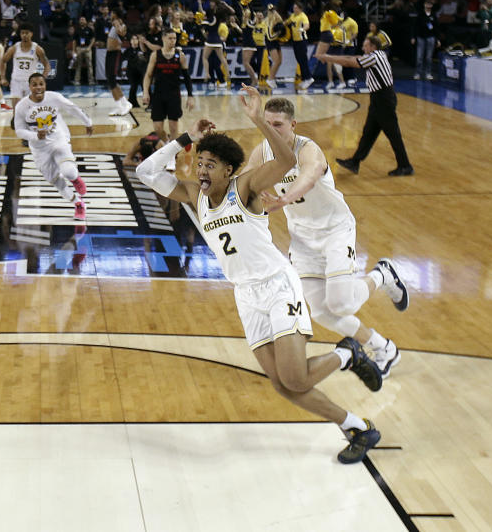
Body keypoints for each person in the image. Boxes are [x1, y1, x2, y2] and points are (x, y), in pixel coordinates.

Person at [136, 85, 385, 464]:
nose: (201, 170)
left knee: (297, 378)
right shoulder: (193, 196)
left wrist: (256, 121)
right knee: (283, 386)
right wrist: (187, 139)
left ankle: (346, 354)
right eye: (199, 163)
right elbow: (145, 170)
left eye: (210, 165)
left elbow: (286, 161)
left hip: (278, 286)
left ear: (229, 170)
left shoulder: (245, 187)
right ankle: (358, 426)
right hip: (246, 295)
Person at [244, 97, 408, 378]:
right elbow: (244, 181)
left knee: (342, 303)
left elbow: (307, 178)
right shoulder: (263, 151)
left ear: (292, 125)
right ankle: (383, 348)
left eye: (278, 125)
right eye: (267, 124)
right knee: (321, 312)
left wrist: (284, 200)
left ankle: (383, 274)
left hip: (335, 231)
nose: (272, 130)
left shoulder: (309, 150)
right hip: (303, 240)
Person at [316, 35, 414, 176]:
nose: (363, 48)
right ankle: (355, 162)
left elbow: (351, 63)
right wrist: (328, 56)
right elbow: (353, 58)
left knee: (394, 135)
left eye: (365, 45)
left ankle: (405, 166)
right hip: (378, 99)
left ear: (373, 47)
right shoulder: (378, 54)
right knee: (368, 133)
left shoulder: (375, 57)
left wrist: (327, 57)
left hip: (384, 99)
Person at [13, 73, 93, 221]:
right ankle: (78, 204)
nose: (38, 87)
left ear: (45, 85)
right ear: (29, 87)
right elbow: (19, 131)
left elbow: (72, 108)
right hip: (39, 148)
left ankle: (75, 179)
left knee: (68, 171)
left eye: (41, 84)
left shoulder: (53, 97)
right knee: (56, 181)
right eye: (35, 84)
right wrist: (35, 136)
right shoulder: (21, 106)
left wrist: (87, 122)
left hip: (58, 138)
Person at [142, 29, 195, 143]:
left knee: (173, 127)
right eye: (170, 38)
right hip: (158, 94)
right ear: (163, 38)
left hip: (174, 94)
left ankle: (172, 156)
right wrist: (145, 92)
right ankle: (167, 143)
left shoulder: (180, 55)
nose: (173, 41)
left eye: (174, 38)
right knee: (158, 128)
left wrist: (190, 96)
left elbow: (187, 78)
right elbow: (148, 75)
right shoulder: (155, 55)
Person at [0, 22, 50, 109]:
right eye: (22, 33)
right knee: (17, 110)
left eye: (27, 33)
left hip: (31, 83)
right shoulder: (14, 48)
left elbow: (47, 65)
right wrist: (2, 77)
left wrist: (42, 79)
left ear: (31, 34)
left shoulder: (37, 49)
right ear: (20, 34)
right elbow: (3, 61)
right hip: (16, 81)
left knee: (31, 110)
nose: (25, 35)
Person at [103, 10, 132, 115]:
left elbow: (122, 33)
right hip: (110, 53)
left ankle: (126, 103)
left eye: (112, 13)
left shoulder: (117, 22)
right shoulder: (116, 23)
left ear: (115, 14)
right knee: (110, 80)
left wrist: (118, 26)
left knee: (112, 79)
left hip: (115, 53)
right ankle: (119, 106)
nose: (110, 14)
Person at [286, 1, 314, 91]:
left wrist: (302, 29)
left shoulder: (303, 16)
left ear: (300, 8)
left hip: (302, 41)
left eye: (296, 8)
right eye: (294, 8)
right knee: (299, 60)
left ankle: (309, 78)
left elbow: (307, 25)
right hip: (295, 41)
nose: (294, 9)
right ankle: (304, 78)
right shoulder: (293, 16)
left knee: (303, 60)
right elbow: (287, 22)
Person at [411, 0, 438, 80]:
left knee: (429, 57)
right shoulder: (420, 14)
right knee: (419, 57)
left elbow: (436, 28)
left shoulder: (433, 15)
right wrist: (413, 37)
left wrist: (437, 39)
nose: (428, 6)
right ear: (424, 5)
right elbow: (415, 26)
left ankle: (428, 73)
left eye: (430, 4)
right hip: (421, 37)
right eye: (427, 4)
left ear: (432, 6)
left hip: (431, 37)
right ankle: (418, 73)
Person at [237, 0, 259, 86]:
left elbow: (252, 22)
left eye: (246, 13)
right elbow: (243, 32)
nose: (244, 14)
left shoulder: (250, 22)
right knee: (246, 63)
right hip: (246, 43)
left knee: (246, 63)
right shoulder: (245, 22)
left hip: (250, 43)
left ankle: (254, 80)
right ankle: (254, 78)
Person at [264, 5, 286, 90]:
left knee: (280, 61)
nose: (273, 12)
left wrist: (274, 11)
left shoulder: (275, 18)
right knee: (276, 61)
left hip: (275, 40)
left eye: (274, 10)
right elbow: (269, 36)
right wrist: (278, 34)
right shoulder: (268, 21)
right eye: (271, 11)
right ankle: (270, 79)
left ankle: (272, 78)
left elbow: (280, 21)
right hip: (270, 41)